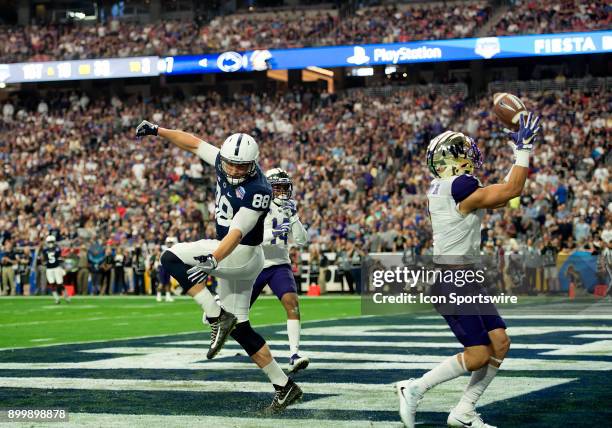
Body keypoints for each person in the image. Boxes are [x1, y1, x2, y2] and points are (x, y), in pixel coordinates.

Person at [136, 120, 302, 412]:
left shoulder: (259, 189)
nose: (235, 170)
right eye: (232, 164)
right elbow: (193, 142)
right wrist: (158, 130)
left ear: (253, 165)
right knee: (241, 328)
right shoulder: (224, 161)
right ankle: (284, 386)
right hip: (246, 259)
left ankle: (215, 316)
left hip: (237, 254)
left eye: (242, 166)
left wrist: (215, 259)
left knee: (169, 258)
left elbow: (237, 232)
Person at [397, 113, 540, 428]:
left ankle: (464, 411)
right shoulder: (459, 184)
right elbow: (511, 190)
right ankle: (415, 388)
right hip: (453, 280)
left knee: (500, 342)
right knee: (477, 355)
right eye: (461, 152)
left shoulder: (447, 186)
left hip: (468, 277)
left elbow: (500, 196)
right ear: (447, 160)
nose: (469, 156)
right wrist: (524, 149)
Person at [250, 168, 310, 373]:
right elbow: (253, 237)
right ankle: (217, 308)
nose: (283, 192)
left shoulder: (289, 209)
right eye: (278, 187)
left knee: (292, 303)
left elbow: (302, 240)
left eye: (285, 187)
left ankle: (294, 355)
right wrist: (275, 232)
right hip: (256, 264)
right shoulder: (257, 206)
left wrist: (294, 218)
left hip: (279, 263)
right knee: (237, 313)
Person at [41, 236, 69, 304]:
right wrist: (44, 262)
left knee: (59, 284)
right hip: (49, 269)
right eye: (49, 242)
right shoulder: (45, 250)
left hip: (56, 268)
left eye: (51, 242)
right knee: (52, 284)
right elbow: (43, 260)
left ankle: (66, 296)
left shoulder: (57, 249)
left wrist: (61, 260)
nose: (50, 243)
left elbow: (60, 258)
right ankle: (56, 298)